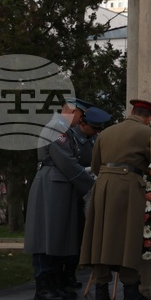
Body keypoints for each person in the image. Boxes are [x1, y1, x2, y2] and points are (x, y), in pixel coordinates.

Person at [80, 99, 151, 300]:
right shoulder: (146, 134)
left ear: (131, 111)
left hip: (103, 187)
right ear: (149, 118)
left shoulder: (106, 133)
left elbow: (95, 165)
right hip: (127, 187)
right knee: (127, 238)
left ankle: (101, 296)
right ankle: (130, 294)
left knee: (101, 237)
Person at [24, 98, 95, 300]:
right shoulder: (57, 128)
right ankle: (44, 287)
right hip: (52, 185)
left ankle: (54, 283)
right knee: (47, 236)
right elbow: (67, 161)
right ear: (72, 112)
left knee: (57, 237)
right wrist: (90, 184)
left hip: (59, 186)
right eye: (80, 116)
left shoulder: (63, 129)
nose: (80, 121)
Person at [62, 105, 111, 289]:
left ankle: (71, 273)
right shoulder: (72, 137)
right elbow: (72, 164)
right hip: (74, 190)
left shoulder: (94, 138)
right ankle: (66, 273)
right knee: (72, 235)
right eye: (94, 128)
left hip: (90, 191)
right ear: (83, 124)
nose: (97, 132)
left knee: (82, 234)